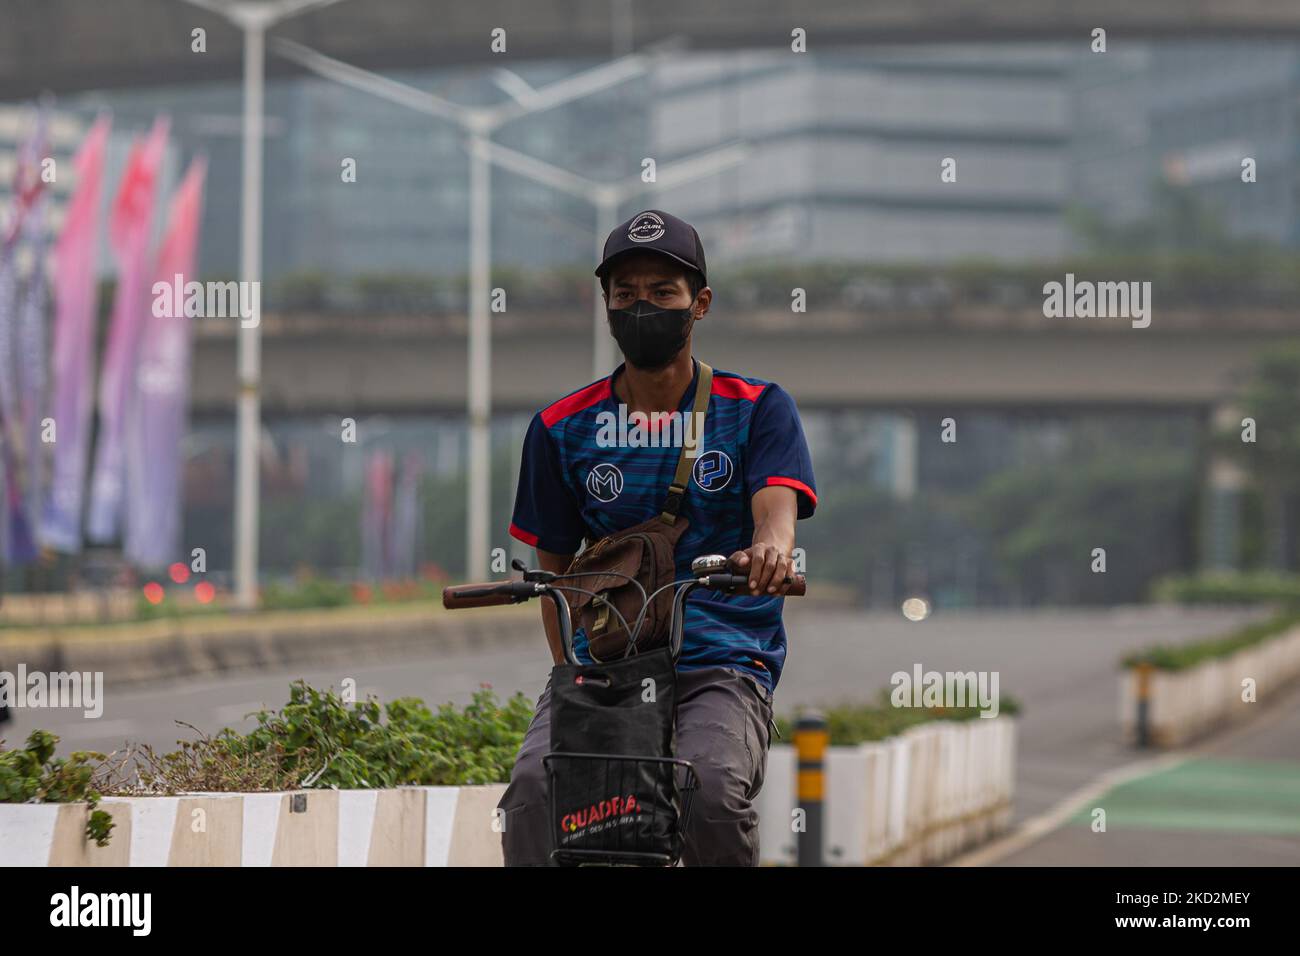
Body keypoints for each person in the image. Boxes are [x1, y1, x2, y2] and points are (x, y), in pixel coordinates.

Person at [498, 209, 817, 866]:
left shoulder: (757, 407)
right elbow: (555, 578)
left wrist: (769, 554)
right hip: (604, 671)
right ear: (607, 305)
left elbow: (775, 514)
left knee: (709, 787)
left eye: (663, 293)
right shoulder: (562, 427)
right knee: (533, 788)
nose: (642, 306)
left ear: (699, 304)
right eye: (626, 294)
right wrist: (572, 675)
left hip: (720, 662)